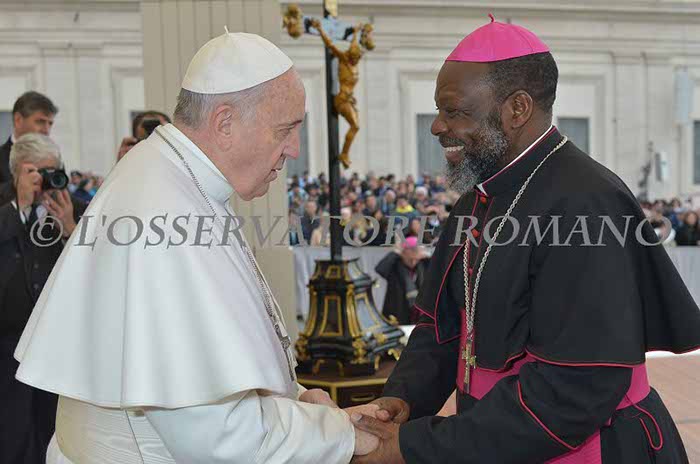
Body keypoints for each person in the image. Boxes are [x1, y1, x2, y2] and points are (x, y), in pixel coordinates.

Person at [14, 31, 378, 463]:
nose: (294, 150)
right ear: (224, 123)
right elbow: (223, 439)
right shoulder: (167, 217)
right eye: (286, 130)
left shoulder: (171, 179)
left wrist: (297, 400)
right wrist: (340, 434)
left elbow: (214, 374)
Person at [351, 16, 700, 463]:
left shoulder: (587, 203)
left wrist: (412, 447)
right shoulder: (476, 199)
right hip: (494, 438)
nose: (437, 126)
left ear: (517, 109)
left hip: (584, 445)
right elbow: (443, 326)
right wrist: (404, 399)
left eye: (454, 111)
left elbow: (573, 391)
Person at [0, 134, 86, 464]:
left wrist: (70, 228)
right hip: (9, 343)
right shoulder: (4, 211)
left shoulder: (77, 209)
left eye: (52, 171)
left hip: (57, 343)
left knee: (56, 431)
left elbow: (97, 267)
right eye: (35, 171)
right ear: (16, 173)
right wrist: (21, 209)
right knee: (13, 432)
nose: (45, 180)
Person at [0, 92, 58, 202]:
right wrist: (20, 184)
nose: (46, 130)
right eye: (40, 122)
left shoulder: (54, 158)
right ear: (18, 120)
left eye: (50, 123)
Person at [375, 237, 430, 324]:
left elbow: (440, 270)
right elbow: (380, 269)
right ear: (403, 254)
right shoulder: (394, 266)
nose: (413, 262)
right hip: (396, 313)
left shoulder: (423, 265)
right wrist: (396, 252)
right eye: (410, 259)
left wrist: (427, 255)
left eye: (416, 259)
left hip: (417, 314)